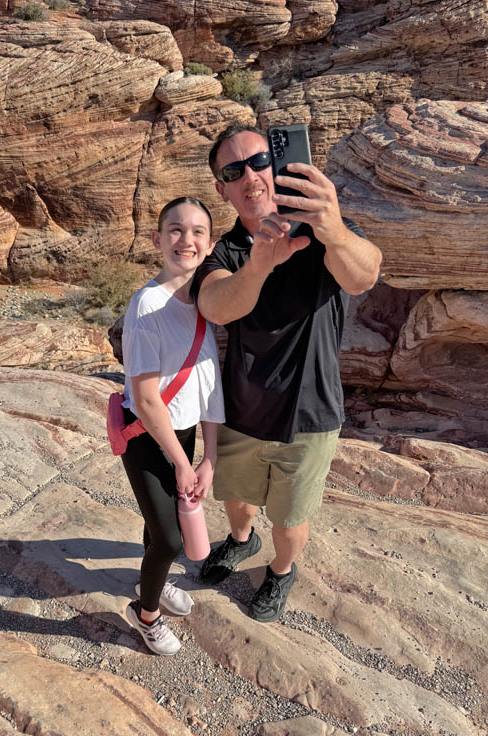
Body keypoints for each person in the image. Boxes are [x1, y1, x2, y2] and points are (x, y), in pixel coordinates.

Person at [194, 124, 382, 622]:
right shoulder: (228, 252)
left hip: (310, 413)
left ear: (276, 166)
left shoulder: (324, 233)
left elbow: (365, 274)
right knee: (235, 497)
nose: (250, 176)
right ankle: (239, 540)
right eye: (234, 171)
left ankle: (280, 571)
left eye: (259, 162)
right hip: (242, 408)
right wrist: (258, 267)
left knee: (291, 519)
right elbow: (215, 305)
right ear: (222, 189)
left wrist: (335, 228)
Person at [121, 196, 225, 655]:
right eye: (176, 230)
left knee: (156, 529)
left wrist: (210, 456)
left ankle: (154, 581)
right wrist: (184, 464)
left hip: (181, 434)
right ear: (157, 240)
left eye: (198, 231)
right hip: (146, 434)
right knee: (169, 536)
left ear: (210, 243)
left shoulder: (202, 305)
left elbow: (207, 385)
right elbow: (145, 398)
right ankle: (145, 615)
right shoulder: (147, 305)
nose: (187, 240)